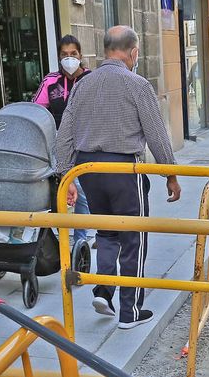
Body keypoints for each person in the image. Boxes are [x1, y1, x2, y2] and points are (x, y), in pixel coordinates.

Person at [52, 26, 180, 330]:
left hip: (88, 172)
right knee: (133, 238)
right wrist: (170, 175)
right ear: (133, 52)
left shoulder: (82, 85)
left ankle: (104, 290)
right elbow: (157, 135)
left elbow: (64, 136)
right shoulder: (137, 84)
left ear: (106, 49)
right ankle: (130, 311)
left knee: (107, 233)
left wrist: (65, 177)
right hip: (123, 170)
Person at [34, 34, 93, 253]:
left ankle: (80, 240)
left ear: (80, 55)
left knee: (81, 190)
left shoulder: (91, 79)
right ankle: (61, 237)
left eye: (73, 54)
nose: (69, 58)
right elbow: (37, 110)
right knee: (60, 189)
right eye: (64, 55)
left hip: (84, 141)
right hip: (58, 143)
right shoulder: (50, 81)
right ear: (59, 57)